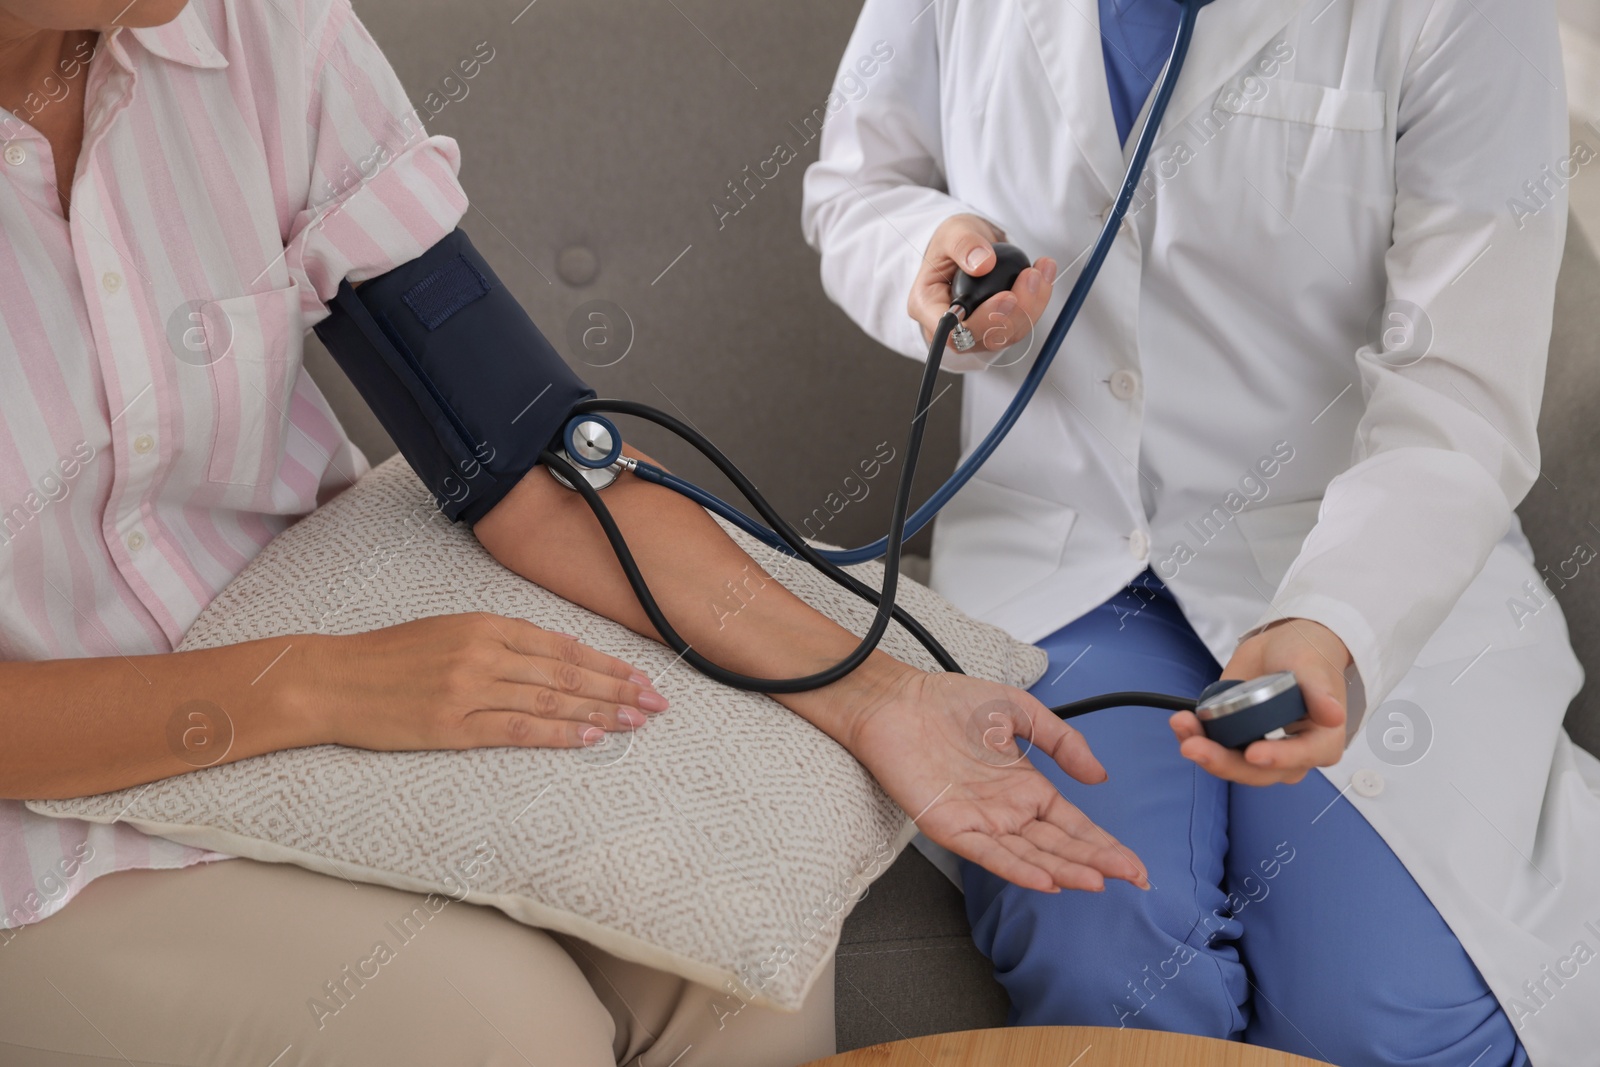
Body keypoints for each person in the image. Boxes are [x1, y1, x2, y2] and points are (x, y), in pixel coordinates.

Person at [0, 2, 1152, 1064]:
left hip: (336, 662)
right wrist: (314, 685)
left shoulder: (257, 31)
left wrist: (874, 696)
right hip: (47, 820)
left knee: (733, 958)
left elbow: (526, 457)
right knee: (506, 1032)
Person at [802, 0, 1600, 1064]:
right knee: (1110, 978)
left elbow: (1456, 390)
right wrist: (927, 258)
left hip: (1351, 560)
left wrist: (1339, 616)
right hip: (1059, 560)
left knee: (1386, 1024)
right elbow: (857, 187)